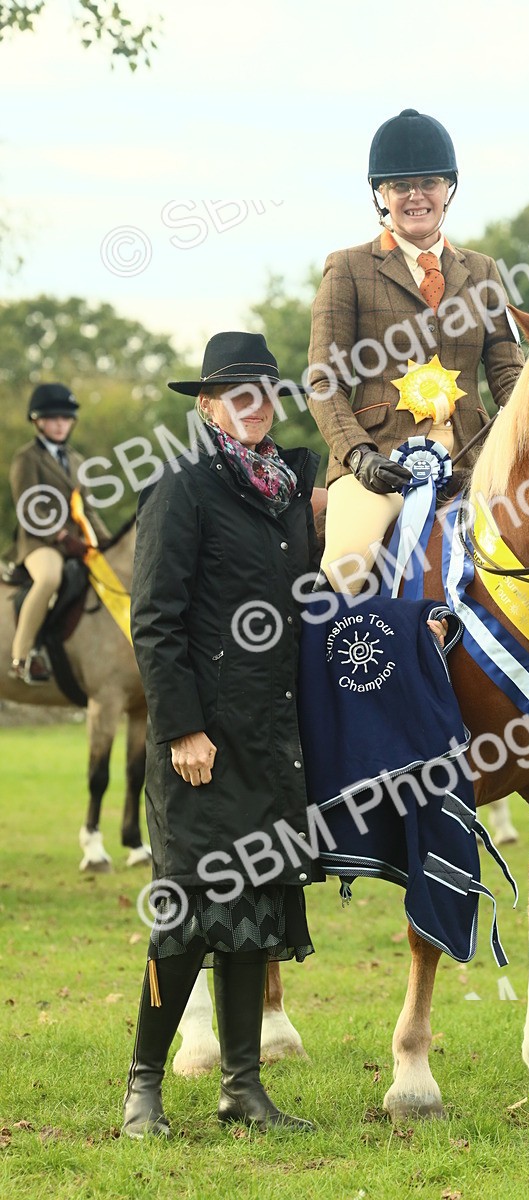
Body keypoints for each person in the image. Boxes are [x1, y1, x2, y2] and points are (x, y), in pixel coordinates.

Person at [124, 331, 323, 1138]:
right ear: (207, 406)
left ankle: (243, 1087)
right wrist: (181, 730)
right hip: (201, 746)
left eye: (265, 393)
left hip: (270, 740)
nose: (254, 406)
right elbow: (156, 620)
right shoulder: (182, 489)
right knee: (187, 915)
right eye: (236, 393)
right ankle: (143, 1086)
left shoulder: (281, 492)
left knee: (255, 914)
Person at [307, 107, 525, 594]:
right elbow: (324, 381)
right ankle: (327, 665)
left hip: (474, 462)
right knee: (345, 565)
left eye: (428, 182)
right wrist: (359, 455)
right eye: (400, 185)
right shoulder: (348, 269)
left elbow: (509, 373)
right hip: (379, 466)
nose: (415, 196)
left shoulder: (483, 271)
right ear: (381, 195)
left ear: (449, 188)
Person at [8, 383, 111, 683]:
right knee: (50, 577)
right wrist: (63, 538)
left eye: (64, 419)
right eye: (53, 418)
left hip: (76, 542)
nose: (59, 424)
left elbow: (87, 509)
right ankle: (22, 655)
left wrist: (106, 541)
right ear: (37, 420)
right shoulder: (26, 458)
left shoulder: (77, 460)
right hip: (39, 541)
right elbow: (27, 508)